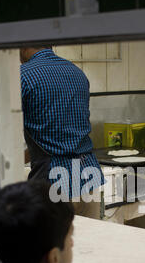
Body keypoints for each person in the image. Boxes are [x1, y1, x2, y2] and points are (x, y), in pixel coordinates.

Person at [20, 46, 104, 216]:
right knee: (91, 241)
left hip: (52, 180)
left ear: (23, 46)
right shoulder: (77, 73)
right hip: (88, 175)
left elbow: (4, 126)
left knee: (50, 242)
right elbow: (59, 137)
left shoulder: (23, 75)